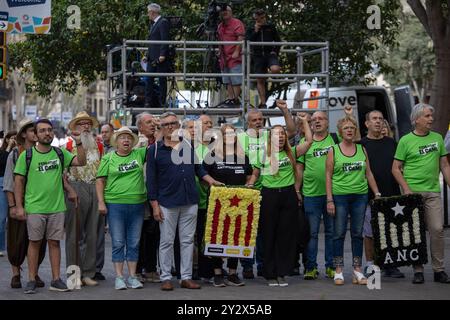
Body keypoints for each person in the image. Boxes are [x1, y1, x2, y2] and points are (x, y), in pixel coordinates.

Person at [146, 112, 223, 291]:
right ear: (162, 128)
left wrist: (212, 181)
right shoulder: (154, 150)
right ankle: (165, 277)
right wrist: (155, 205)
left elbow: (199, 169)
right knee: (166, 241)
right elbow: (151, 181)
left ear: (178, 125)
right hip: (166, 202)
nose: (170, 127)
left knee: (188, 240)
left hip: (190, 200)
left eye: (173, 123)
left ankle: (185, 277)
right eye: (166, 124)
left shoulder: (188, 145)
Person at [14, 119, 87, 294]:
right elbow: (19, 181)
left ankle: (56, 279)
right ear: (36, 135)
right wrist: (19, 206)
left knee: (54, 243)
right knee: (34, 243)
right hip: (35, 208)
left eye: (49, 130)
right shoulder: (27, 155)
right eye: (42, 131)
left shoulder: (59, 153)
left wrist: (78, 142)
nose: (47, 133)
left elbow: (81, 161)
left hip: (57, 207)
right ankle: (31, 279)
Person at [237, 101, 297, 279]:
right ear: (248, 123)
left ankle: (263, 265)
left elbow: (292, 131)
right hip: (249, 188)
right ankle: (247, 266)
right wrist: (247, 180)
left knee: (266, 232)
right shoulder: (241, 138)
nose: (258, 122)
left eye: (260, 119)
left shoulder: (269, 136)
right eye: (254, 120)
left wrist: (285, 111)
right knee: (247, 230)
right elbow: (239, 161)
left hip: (268, 190)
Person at [392, 103, 450, 284]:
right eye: (427, 116)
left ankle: (439, 270)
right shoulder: (405, 141)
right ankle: (418, 270)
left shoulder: (438, 138)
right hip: (413, 193)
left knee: (437, 229)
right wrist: (407, 190)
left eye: (431, 116)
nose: (431, 119)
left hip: (433, 191)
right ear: (416, 119)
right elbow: (395, 168)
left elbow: (445, 165)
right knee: (415, 232)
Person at [252, 115, 312, 287]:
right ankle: (269, 273)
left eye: (282, 134)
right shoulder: (263, 154)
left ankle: (281, 272)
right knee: (269, 234)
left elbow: (309, 141)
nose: (280, 137)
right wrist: (250, 183)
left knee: (285, 235)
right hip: (269, 196)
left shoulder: (291, 152)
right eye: (276, 134)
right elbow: (255, 174)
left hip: (288, 195)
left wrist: (305, 121)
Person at [326, 116, 380, 286]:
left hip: (360, 196)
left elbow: (368, 173)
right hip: (340, 196)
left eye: (352, 128)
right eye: (346, 128)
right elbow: (328, 175)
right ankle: (339, 270)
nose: (349, 130)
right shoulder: (333, 150)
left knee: (357, 234)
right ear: (340, 131)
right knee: (339, 233)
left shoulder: (362, 149)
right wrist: (329, 200)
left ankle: (357, 269)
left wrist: (376, 192)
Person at [203, 124, 256, 287]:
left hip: (239, 205)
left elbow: (249, 176)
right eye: (226, 134)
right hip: (218, 204)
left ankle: (233, 273)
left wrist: (250, 185)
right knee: (217, 236)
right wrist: (213, 187)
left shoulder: (243, 156)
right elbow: (203, 177)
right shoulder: (211, 155)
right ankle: (218, 273)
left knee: (236, 236)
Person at [96, 127, 148, 290]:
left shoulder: (139, 154)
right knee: (118, 242)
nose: (125, 140)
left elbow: (157, 142)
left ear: (133, 142)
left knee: (134, 242)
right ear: (116, 141)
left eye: (128, 138)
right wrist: (101, 202)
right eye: (122, 138)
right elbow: (100, 181)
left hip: (137, 204)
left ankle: (132, 277)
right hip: (115, 204)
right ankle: (119, 277)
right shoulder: (108, 158)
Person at [3, 119, 48, 289]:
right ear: (23, 134)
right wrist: (13, 206)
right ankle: (16, 274)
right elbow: (9, 183)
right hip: (19, 202)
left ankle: (33, 273)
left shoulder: (44, 152)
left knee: (37, 240)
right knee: (16, 240)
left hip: (39, 203)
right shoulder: (15, 154)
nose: (36, 134)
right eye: (32, 131)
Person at [360, 110, 404, 278]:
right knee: (370, 233)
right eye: (374, 119)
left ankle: (390, 264)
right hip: (369, 196)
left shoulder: (392, 143)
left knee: (391, 231)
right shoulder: (361, 144)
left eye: (380, 119)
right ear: (367, 124)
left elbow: (400, 168)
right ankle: (371, 266)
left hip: (392, 194)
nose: (378, 122)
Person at [296, 111, 338, 280]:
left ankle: (331, 267)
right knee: (311, 234)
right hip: (311, 194)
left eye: (321, 119)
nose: (317, 122)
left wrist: (349, 116)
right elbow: (299, 168)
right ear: (310, 124)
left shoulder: (335, 140)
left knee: (331, 232)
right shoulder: (305, 142)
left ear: (328, 122)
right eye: (314, 120)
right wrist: (297, 190)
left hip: (333, 195)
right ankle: (311, 267)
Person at [65, 111, 105, 286]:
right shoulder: (67, 145)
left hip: (95, 187)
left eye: (88, 123)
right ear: (75, 127)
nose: (86, 126)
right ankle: (74, 274)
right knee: (74, 234)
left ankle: (89, 272)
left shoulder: (99, 145)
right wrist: (69, 190)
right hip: (76, 187)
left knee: (92, 233)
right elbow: (62, 172)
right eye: (81, 124)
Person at [135, 112, 161, 284]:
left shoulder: (162, 141)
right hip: (140, 193)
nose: (152, 125)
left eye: (154, 121)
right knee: (139, 233)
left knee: (154, 231)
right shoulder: (135, 143)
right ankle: (137, 269)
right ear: (140, 127)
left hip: (157, 193)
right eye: (148, 122)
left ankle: (151, 268)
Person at [246, 9, 281, 108]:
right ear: (254, 19)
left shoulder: (270, 27)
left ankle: (266, 75)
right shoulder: (251, 28)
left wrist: (275, 51)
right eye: (258, 19)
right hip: (257, 56)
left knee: (275, 69)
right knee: (260, 80)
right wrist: (256, 31)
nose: (261, 20)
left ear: (265, 17)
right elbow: (247, 41)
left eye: (262, 18)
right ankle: (263, 103)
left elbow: (278, 41)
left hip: (270, 54)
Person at [217, 6, 245, 106]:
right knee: (228, 80)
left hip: (234, 56)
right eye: (222, 11)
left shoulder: (237, 23)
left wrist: (237, 51)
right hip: (224, 57)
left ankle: (235, 99)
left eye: (226, 11)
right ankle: (231, 99)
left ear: (231, 12)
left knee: (236, 80)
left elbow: (241, 38)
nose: (224, 13)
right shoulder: (220, 25)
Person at [144, 3, 170, 108]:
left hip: (160, 57)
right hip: (151, 57)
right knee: (149, 79)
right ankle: (148, 101)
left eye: (148, 13)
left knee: (162, 79)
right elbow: (152, 42)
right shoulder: (154, 24)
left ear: (152, 12)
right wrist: (147, 54)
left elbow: (165, 39)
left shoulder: (162, 22)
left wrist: (163, 54)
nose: (148, 15)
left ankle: (162, 102)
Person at [0, 130, 17, 257]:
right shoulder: (3, 153)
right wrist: (9, 147)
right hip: (3, 185)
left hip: (20, 185)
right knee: (2, 218)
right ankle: (1, 246)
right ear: (6, 140)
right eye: (12, 138)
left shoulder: (22, 152)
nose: (14, 140)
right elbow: (2, 164)